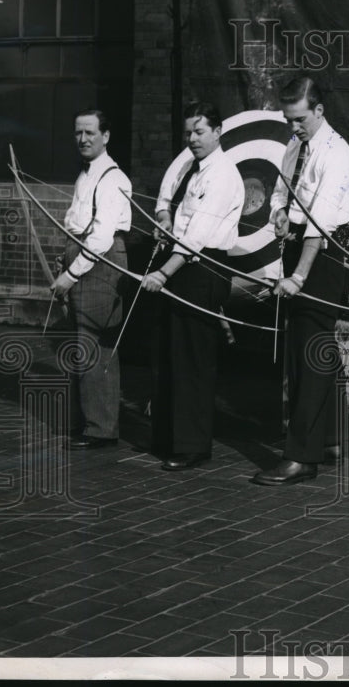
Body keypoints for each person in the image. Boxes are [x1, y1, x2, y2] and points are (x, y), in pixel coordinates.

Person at [252, 76, 349, 486]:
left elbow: (321, 226)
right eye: (287, 119)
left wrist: (297, 276)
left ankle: (301, 457)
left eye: (299, 119)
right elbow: (282, 190)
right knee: (311, 350)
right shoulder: (296, 144)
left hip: (322, 256)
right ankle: (328, 441)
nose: (293, 127)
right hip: (297, 245)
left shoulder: (337, 154)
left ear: (319, 111)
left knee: (309, 354)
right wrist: (278, 212)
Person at [141, 102, 245, 470]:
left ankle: (192, 446)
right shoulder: (190, 166)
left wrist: (163, 273)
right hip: (182, 266)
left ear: (218, 132)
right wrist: (164, 216)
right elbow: (169, 200)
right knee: (170, 352)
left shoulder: (223, 175)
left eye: (200, 132)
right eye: (188, 132)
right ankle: (169, 438)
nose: (192, 139)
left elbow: (197, 237)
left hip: (204, 271)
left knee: (192, 359)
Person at [51, 109, 132, 449]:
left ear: (106, 136)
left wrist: (69, 275)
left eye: (90, 133)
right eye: (78, 133)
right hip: (83, 255)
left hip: (99, 262)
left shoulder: (111, 178)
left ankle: (100, 429)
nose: (83, 139)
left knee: (94, 345)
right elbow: (76, 220)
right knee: (86, 344)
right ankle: (94, 424)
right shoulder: (86, 174)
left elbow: (99, 239)